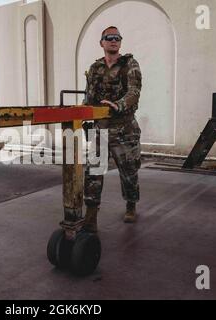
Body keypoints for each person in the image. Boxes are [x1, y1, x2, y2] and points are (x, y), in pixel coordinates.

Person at [82, 26, 142, 233]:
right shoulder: (95, 68)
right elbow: (89, 96)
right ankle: (90, 214)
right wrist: (84, 116)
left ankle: (131, 204)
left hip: (124, 129)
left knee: (129, 172)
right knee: (93, 172)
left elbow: (134, 92)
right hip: (100, 129)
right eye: (109, 38)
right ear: (102, 43)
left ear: (120, 42)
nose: (113, 41)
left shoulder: (130, 64)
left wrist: (119, 105)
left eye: (117, 38)